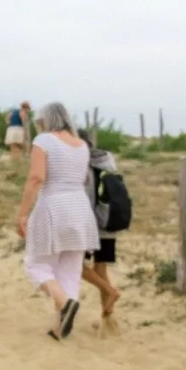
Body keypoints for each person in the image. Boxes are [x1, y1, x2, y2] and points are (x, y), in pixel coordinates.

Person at [15, 102, 100, 339]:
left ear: (46, 120)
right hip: (80, 209)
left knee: (36, 265)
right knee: (70, 271)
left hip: (53, 208)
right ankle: (59, 327)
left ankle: (64, 304)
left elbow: (36, 178)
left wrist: (22, 213)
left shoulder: (43, 141)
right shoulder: (81, 145)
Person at [79, 128, 124, 322]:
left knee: (77, 266)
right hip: (111, 220)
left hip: (94, 222)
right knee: (100, 269)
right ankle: (108, 319)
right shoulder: (106, 160)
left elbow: (86, 198)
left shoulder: (83, 166)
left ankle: (111, 291)